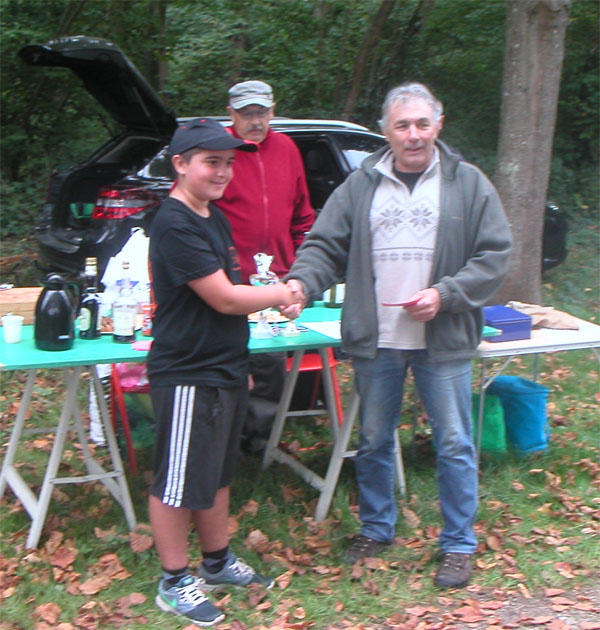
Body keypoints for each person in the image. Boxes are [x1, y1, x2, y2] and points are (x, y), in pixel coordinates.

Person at [283, 83, 512, 589]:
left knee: (453, 442)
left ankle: (457, 544)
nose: (413, 135)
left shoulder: (468, 184)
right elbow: (324, 244)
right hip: (377, 337)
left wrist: (447, 294)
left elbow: (495, 254)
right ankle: (376, 527)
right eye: (402, 125)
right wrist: (301, 281)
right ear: (385, 131)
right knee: (373, 438)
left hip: (444, 337)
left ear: (439, 124)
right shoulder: (360, 185)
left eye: (422, 124)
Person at [147, 118, 301, 626]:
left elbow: (231, 291)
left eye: (229, 163)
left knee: (215, 472)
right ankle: (173, 581)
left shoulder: (210, 216)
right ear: (181, 164)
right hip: (189, 370)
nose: (223, 172)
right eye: (212, 162)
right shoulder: (174, 223)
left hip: (224, 365)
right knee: (177, 481)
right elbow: (224, 296)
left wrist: (241, 363)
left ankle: (215, 563)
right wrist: (280, 294)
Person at [218, 80, 315, 454]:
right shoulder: (220, 152)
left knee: (271, 364)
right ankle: (224, 440)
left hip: (278, 279)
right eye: (246, 114)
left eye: (261, 113)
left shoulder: (287, 149)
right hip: (229, 279)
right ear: (231, 115)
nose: (255, 121)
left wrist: (300, 267)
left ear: (273, 111)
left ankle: (257, 442)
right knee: (229, 361)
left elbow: (302, 213)